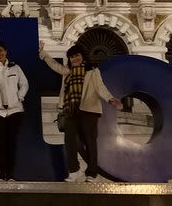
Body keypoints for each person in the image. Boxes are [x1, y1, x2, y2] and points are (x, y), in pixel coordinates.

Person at [39, 44, 122, 182]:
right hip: (70, 111)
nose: (75, 59)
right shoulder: (67, 72)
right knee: (69, 141)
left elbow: (100, 87)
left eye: (77, 55)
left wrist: (110, 98)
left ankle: (92, 173)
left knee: (90, 143)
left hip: (88, 110)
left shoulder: (93, 72)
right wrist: (43, 53)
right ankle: (74, 170)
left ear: (83, 57)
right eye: (72, 57)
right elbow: (54, 65)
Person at [0, 41, 29, 181]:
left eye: (1, 50)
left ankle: (11, 174)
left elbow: (24, 84)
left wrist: (19, 97)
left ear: (6, 51)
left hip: (15, 111)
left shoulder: (15, 68)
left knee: (12, 143)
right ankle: (1, 174)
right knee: (1, 144)